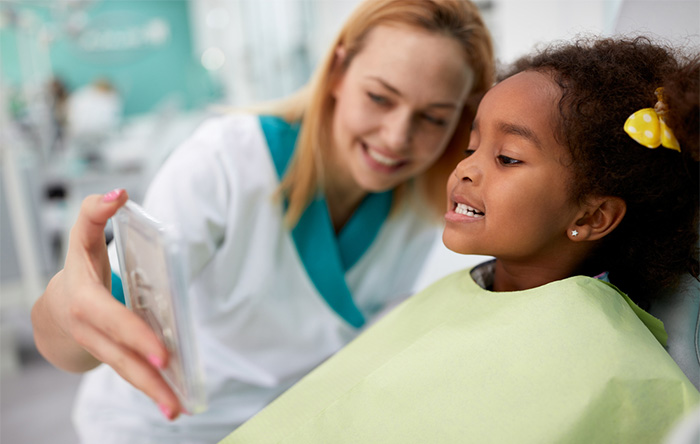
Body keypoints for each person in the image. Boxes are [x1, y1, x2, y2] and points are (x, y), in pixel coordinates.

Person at [30, 1, 495, 442]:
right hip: (155, 427)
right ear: (336, 71)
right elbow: (89, 325)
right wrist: (61, 309)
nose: (397, 137)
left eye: (433, 118)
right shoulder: (229, 162)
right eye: (378, 97)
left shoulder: (424, 200)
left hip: (277, 428)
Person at [217, 36, 700, 444]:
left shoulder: (612, 365)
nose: (466, 169)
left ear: (593, 215)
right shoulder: (455, 295)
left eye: (507, 157)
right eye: (472, 148)